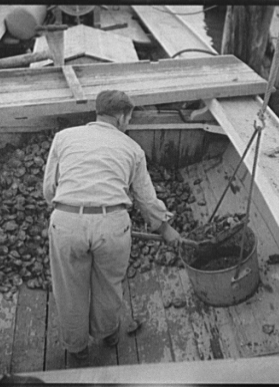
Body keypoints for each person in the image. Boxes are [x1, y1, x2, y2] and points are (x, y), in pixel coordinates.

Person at [43, 90, 181, 364]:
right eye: (128, 117)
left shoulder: (64, 137)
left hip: (67, 219)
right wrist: (166, 230)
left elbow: (49, 188)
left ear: (98, 112)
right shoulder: (132, 149)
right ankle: (108, 334)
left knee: (69, 290)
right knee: (109, 285)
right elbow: (146, 199)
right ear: (121, 116)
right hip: (113, 224)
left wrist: (64, 211)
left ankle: (77, 349)